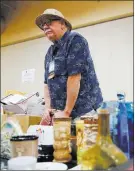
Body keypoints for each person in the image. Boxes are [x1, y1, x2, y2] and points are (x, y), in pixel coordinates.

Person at [35, 9, 103, 125]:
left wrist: (66, 112)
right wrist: (48, 109)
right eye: (42, 24)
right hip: (63, 116)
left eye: (49, 21)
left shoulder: (75, 40)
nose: (45, 26)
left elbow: (74, 78)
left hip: (84, 113)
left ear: (62, 24)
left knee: (85, 143)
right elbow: (47, 84)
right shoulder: (50, 53)